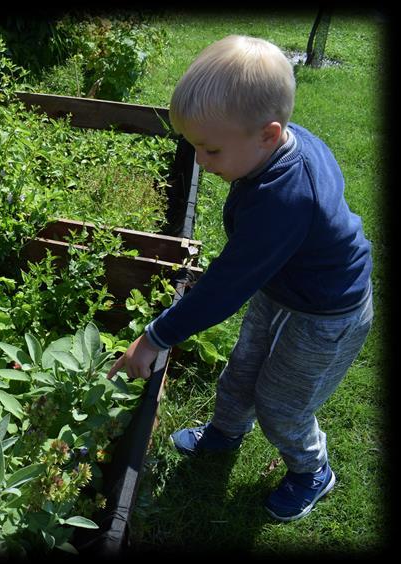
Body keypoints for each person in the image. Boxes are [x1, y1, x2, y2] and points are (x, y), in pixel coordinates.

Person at [108, 35, 373, 522]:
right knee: (243, 366)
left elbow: (226, 285)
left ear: (269, 135)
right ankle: (226, 430)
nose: (201, 162)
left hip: (328, 310)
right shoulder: (275, 152)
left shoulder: (286, 200)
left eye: (209, 150)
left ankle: (311, 469)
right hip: (284, 285)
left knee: (283, 402)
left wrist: (155, 337)